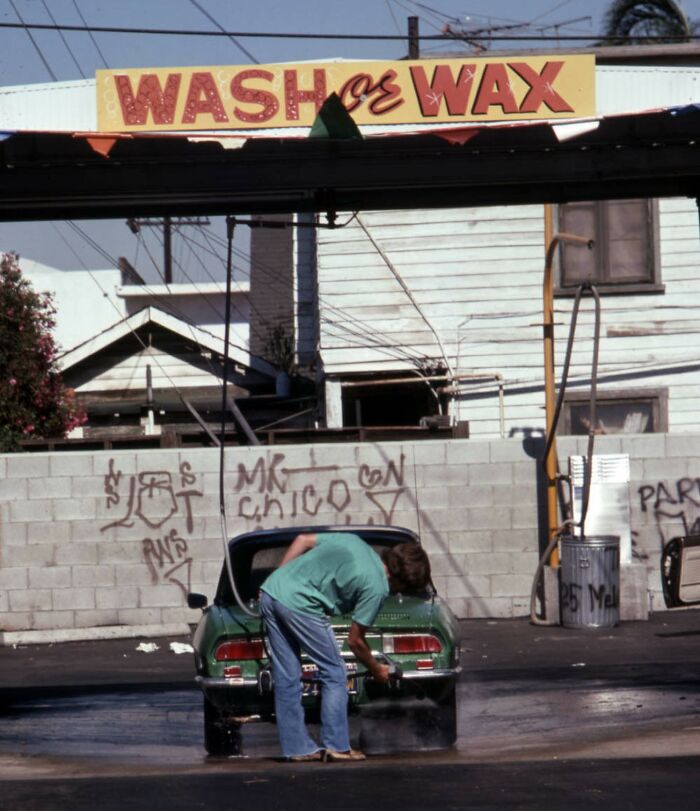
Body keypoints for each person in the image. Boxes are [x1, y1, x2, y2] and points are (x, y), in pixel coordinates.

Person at [259, 530, 431, 763]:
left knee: (287, 675)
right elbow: (355, 641)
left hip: (270, 591)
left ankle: (297, 748)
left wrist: (279, 577)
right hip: (300, 603)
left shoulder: (355, 542)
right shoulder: (377, 587)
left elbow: (302, 539)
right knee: (335, 672)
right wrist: (376, 669)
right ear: (401, 581)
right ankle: (337, 745)